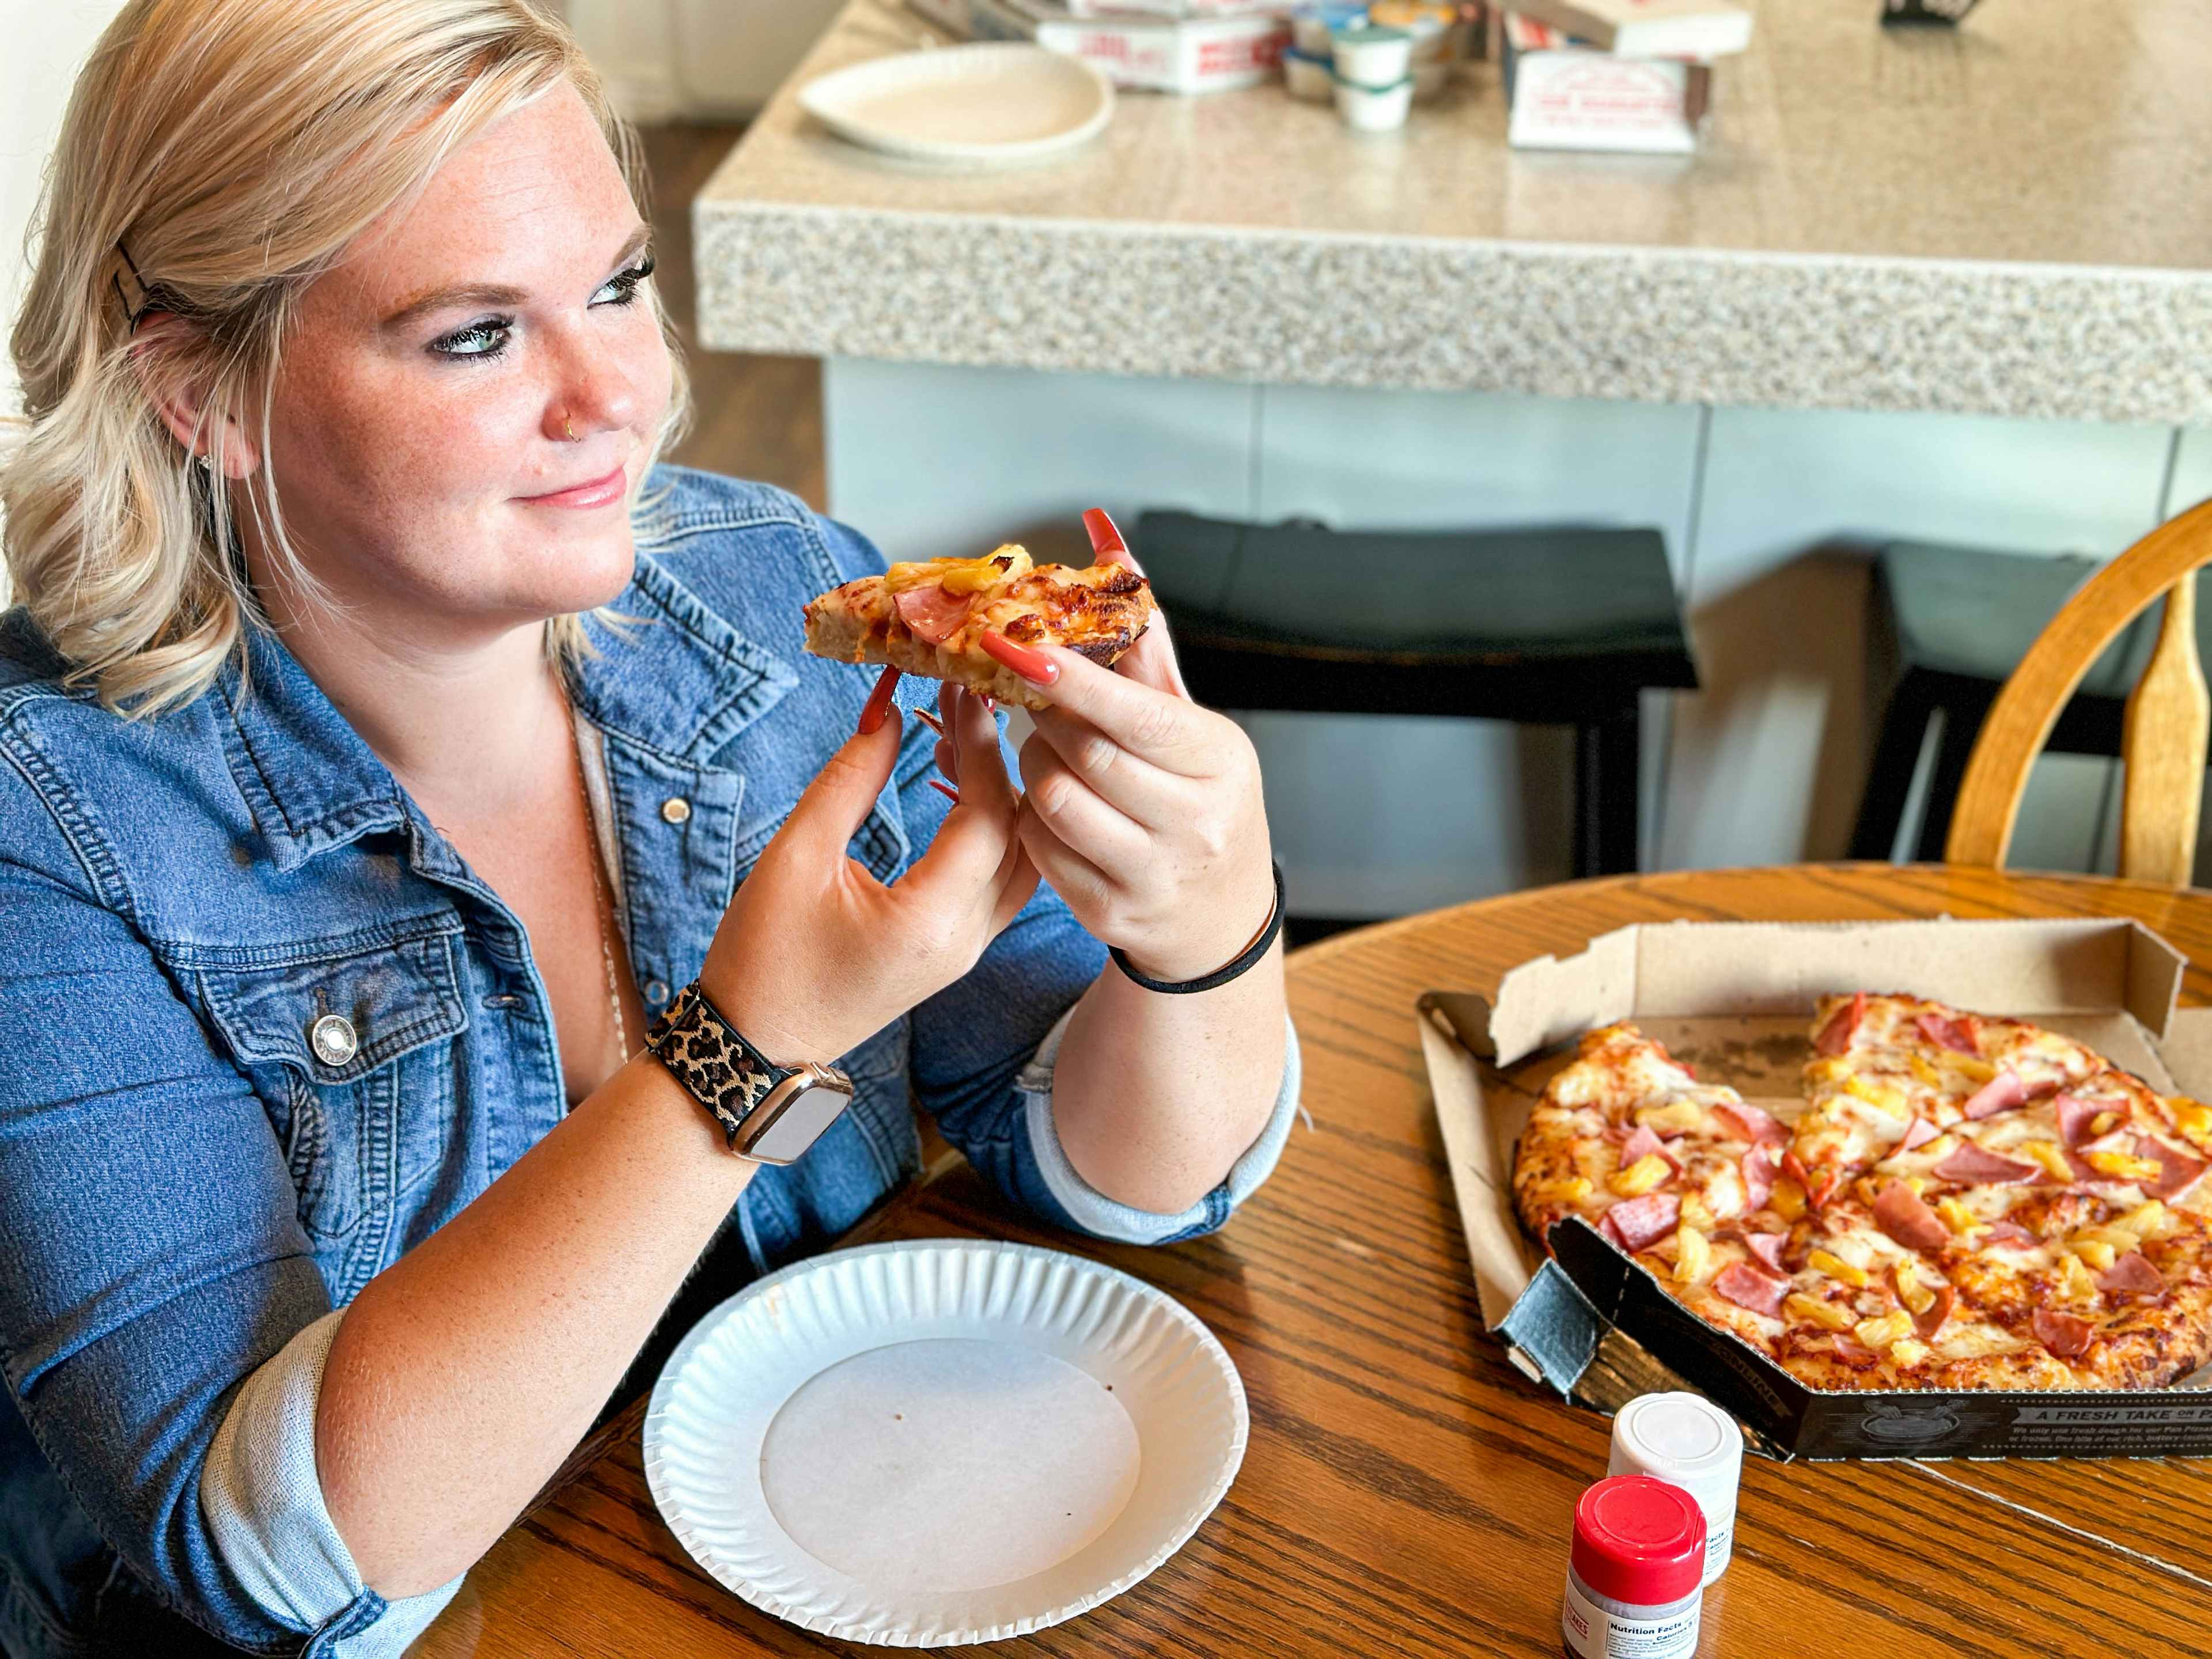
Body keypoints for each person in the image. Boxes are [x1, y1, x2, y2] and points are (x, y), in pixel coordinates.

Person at [0, 3, 1298, 1653]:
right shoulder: (50, 827)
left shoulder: (775, 591)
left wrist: (1208, 924)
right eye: (477, 335)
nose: (619, 394)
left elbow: (1108, 1173)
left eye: (617, 284)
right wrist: (745, 1048)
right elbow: (270, 1559)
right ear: (204, 394)